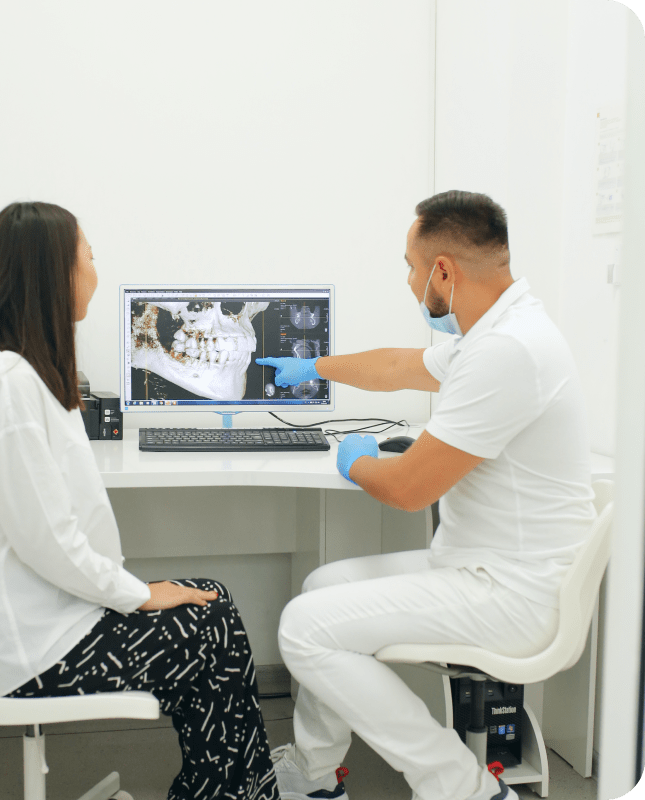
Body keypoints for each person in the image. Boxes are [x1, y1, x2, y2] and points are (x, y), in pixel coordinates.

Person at [256, 190, 596, 800]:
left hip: (513, 594)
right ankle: (314, 775)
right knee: (320, 587)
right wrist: (316, 367)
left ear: (443, 271)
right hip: (483, 567)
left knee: (304, 628)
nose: (410, 282)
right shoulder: (497, 330)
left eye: (411, 267)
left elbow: (409, 489)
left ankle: (465, 789)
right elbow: (399, 366)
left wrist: (359, 461)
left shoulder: (507, 351)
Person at [0, 201, 279, 800]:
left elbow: (51, 531)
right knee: (212, 630)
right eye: (89, 257)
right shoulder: (11, 385)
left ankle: (234, 790)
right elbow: (49, 541)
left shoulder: (24, 375)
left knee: (214, 600)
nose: (96, 270)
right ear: (55, 273)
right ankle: (235, 792)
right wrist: (138, 593)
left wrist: (133, 592)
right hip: (28, 653)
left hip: (40, 622)